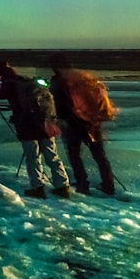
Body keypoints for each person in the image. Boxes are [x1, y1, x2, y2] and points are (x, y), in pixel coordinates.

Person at [0, 60, 70, 199]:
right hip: (46, 123)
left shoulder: (9, 84)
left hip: (27, 126)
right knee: (52, 155)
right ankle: (62, 185)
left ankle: (37, 187)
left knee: (33, 156)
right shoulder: (25, 81)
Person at [49, 53, 116, 196]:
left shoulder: (60, 82)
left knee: (75, 155)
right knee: (99, 155)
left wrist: (60, 119)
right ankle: (108, 185)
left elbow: (63, 105)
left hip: (73, 123)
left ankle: (82, 183)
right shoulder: (85, 78)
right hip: (92, 122)